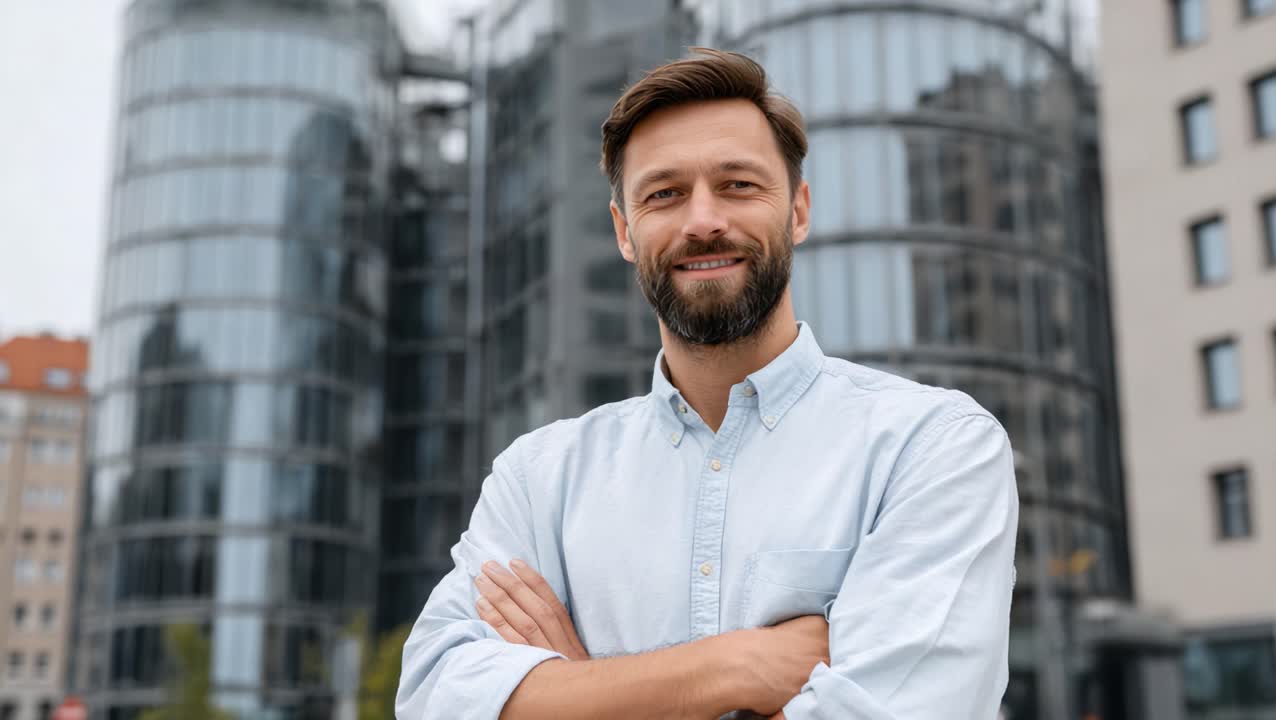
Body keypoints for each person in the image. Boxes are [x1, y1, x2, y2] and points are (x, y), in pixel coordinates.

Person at [396, 48, 1018, 720]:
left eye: (738, 185)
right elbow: (435, 695)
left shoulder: (932, 449)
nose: (702, 221)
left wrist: (580, 690)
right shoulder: (538, 480)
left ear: (799, 211)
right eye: (664, 194)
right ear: (624, 232)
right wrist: (736, 667)